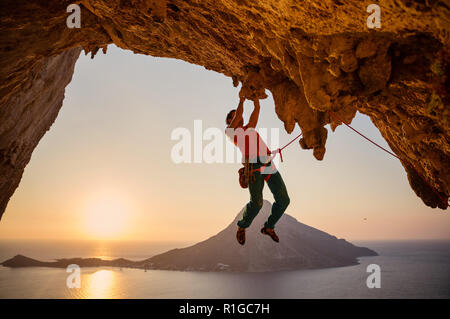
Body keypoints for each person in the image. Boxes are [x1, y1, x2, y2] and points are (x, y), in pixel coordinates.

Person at [225, 97, 290, 245]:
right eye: (235, 116)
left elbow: (256, 112)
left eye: (239, 114)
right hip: (253, 164)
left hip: (266, 162)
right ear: (230, 121)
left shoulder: (249, 129)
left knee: (284, 200)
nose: (240, 116)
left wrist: (256, 101)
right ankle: (242, 226)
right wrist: (241, 100)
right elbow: (239, 114)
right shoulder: (230, 132)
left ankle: (268, 227)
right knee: (257, 203)